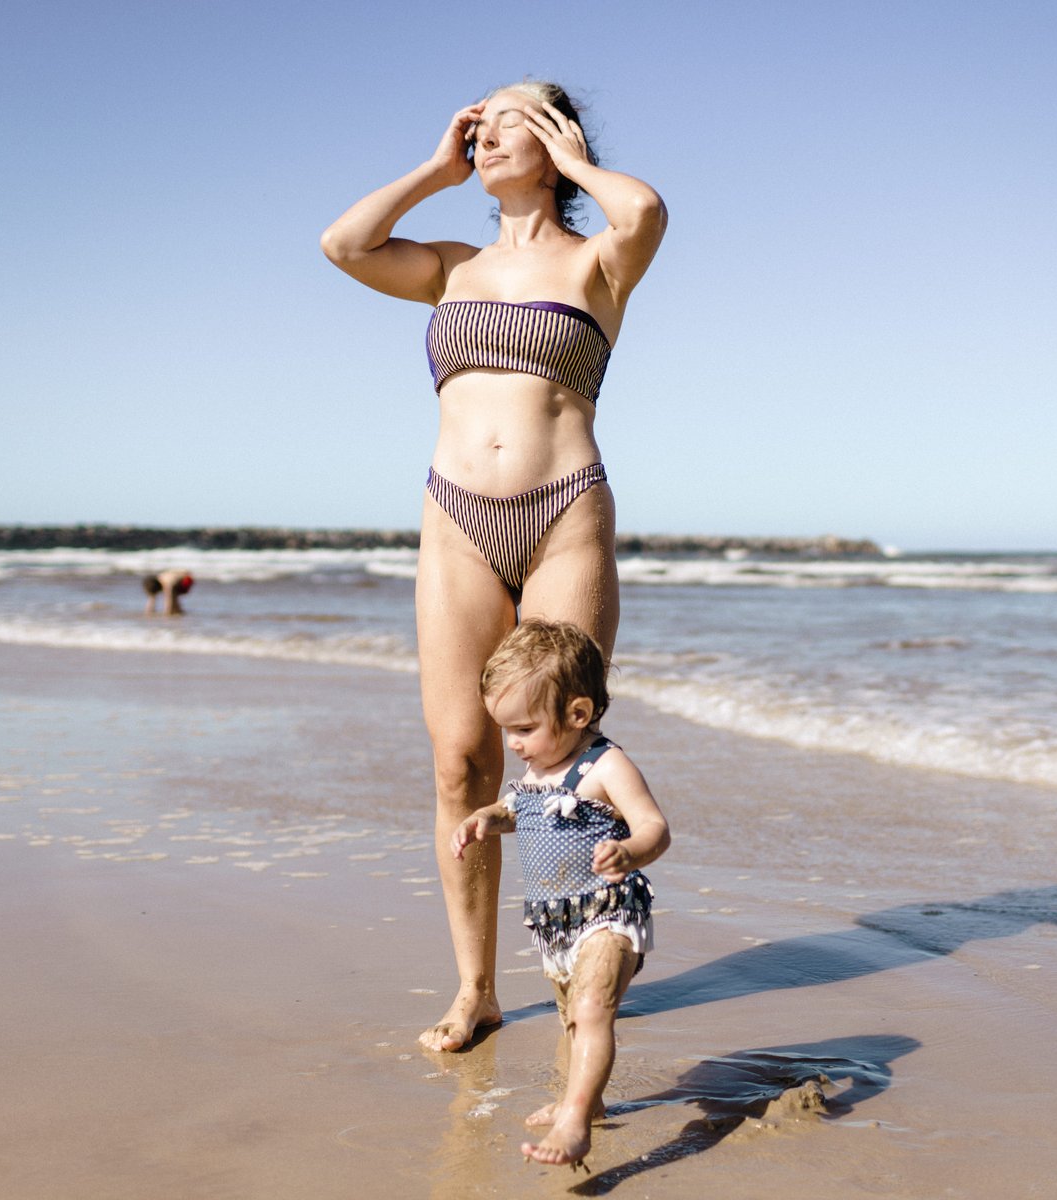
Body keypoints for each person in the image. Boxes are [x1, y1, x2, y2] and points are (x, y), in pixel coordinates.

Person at [321, 79, 667, 1052]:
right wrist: (438, 167)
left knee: (562, 756)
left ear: (558, 139)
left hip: (566, 515)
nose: (487, 131)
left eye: (510, 118)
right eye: (479, 121)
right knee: (459, 762)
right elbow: (343, 244)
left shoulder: (601, 260)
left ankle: (579, 958)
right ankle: (475, 988)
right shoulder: (450, 267)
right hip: (455, 518)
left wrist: (572, 158)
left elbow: (642, 208)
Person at [451, 620, 670, 1168]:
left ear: (577, 714)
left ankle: (575, 1122)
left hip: (609, 912)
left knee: (594, 1008)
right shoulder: (535, 769)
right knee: (574, 1018)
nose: (512, 743)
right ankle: (586, 1102)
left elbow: (654, 827)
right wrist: (487, 817)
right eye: (505, 730)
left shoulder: (604, 765)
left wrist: (631, 853)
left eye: (523, 728)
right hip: (558, 923)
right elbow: (519, 812)